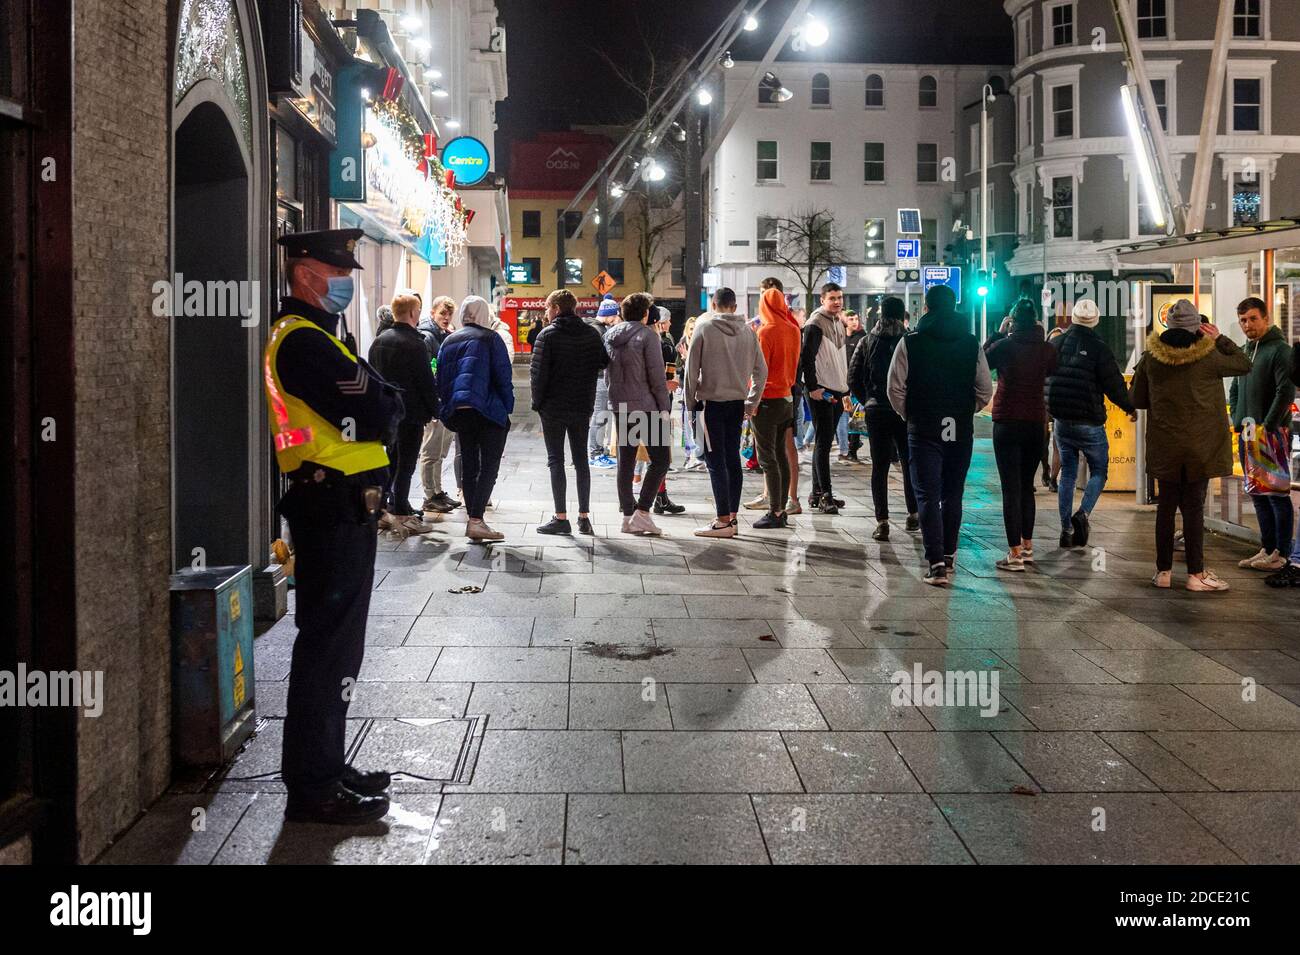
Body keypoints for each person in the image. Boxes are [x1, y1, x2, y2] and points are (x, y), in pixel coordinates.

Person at [263, 228, 400, 824]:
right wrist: (386, 405)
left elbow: (382, 399)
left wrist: (385, 401)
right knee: (327, 648)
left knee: (339, 648)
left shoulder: (320, 335)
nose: (346, 281)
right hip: (331, 506)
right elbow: (375, 407)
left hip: (340, 506)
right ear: (306, 275)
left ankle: (327, 765)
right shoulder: (302, 341)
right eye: (336, 271)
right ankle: (313, 786)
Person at [1131, 299, 1251, 591]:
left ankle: (1163, 573)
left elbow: (1137, 400)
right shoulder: (1209, 357)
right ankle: (1196, 575)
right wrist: (1219, 338)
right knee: (1193, 508)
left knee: (1166, 508)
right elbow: (1244, 364)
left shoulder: (1151, 358)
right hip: (1201, 447)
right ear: (1199, 327)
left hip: (1165, 445)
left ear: (1168, 326)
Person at [887, 284, 994, 586]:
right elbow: (985, 389)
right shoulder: (971, 342)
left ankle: (935, 563)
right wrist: (965, 408)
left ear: (927, 308)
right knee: (953, 493)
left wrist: (910, 414)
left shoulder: (911, 342)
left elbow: (894, 388)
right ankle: (949, 553)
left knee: (926, 494)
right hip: (959, 426)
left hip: (924, 428)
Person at [1045, 297, 1137, 548]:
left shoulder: (1055, 344)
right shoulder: (1099, 348)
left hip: (1062, 420)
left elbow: (1046, 380)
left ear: (1073, 318)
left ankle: (1065, 530)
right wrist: (1130, 407)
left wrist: (1049, 409)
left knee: (1068, 474)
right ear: (1095, 321)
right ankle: (1083, 513)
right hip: (1090, 422)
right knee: (1099, 469)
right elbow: (1114, 385)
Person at [683, 287, 768, 537]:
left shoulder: (704, 328)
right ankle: (732, 517)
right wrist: (751, 403)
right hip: (737, 403)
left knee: (714, 461)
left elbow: (691, 370)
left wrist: (690, 405)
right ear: (734, 306)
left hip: (710, 403)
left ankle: (722, 522)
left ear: (713, 304)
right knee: (732, 460)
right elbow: (761, 372)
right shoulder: (748, 332)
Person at [984, 299, 1058, 571]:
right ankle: (1027, 546)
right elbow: (1052, 369)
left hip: (1007, 421)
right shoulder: (1047, 349)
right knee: (1027, 486)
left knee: (1010, 488)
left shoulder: (1005, 346)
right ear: (1037, 321)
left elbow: (982, 360)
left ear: (1013, 321)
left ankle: (1013, 552)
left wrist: (998, 333)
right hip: (1034, 423)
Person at [436, 296, 515, 542]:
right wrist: (507, 406)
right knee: (489, 466)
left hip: (461, 412)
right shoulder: (491, 338)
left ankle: (474, 518)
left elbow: (442, 378)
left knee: (469, 464)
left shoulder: (448, 340)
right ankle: (476, 520)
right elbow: (503, 376)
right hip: (489, 411)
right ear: (484, 314)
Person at [531, 288, 609, 535]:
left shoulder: (547, 336)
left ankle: (560, 517)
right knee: (581, 460)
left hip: (553, 407)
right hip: (581, 405)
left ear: (556, 308)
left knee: (556, 460)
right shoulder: (591, 334)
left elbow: (538, 375)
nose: (545, 311)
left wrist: (538, 404)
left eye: (547, 307)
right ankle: (584, 518)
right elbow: (603, 363)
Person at [1230, 296, 1296, 573]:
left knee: (1277, 494)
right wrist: (1236, 418)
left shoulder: (1280, 350)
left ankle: (1281, 552)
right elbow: (1235, 387)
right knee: (1257, 492)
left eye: (1253, 319)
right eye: (1243, 320)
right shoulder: (1246, 350)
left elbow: (1286, 391)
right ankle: (1268, 547)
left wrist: (1267, 426)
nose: (1248, 325)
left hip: (1271, 434)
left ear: (1266, 318)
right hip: (1247, 432)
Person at [367, 292, 440, 533]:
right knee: (406, 463)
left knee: (390, 459)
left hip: (385, 412)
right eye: (418, 311)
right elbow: (425, 381)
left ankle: (383, 508)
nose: (419, 315)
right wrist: (435, 408)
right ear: (411, 313)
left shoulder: (380, 340)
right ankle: (401, 513)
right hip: (411, 413)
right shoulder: (414, 343)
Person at [849, 295, 917, 541]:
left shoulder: (867, 341)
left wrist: (867, 398)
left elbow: (853, 376)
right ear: (902, 316)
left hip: (876, 410)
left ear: (880, 314)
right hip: (903, 411)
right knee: (909, 463)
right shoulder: (910, 342)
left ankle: (883, 521)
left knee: (880, 466)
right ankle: (913, 514)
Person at [605, 292, 672, 535]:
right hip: (646, 407)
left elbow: (607, 375)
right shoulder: (648, 336)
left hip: (621, 406)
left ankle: (626, 517)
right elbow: (656, 378)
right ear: (645, 313)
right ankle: (643, 512)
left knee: (626, 461)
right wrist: (665, 406)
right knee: (661, 459)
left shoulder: (610, 336)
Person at [747, 286, 801, 529]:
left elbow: (760, 370)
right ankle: (782, 508)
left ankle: (775, 511)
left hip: (767, 399)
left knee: (768, 457)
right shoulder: (793, 329)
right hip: (787, 399)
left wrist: (752, 402)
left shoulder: (766, 331)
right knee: (781, 455)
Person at [801, 282, 850, 513]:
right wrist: (812, 387)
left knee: (824, 440)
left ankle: (817, 493)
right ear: (822, 300)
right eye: (832, 298)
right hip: (822, 390)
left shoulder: (839, 322)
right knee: (823, 442)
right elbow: (806, 358)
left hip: (837, 389)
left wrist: (846, 389)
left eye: (839, 297)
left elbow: (841, 359)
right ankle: (826, 494)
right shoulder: (814, 324)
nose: (837, 302)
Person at [416, 295, 460, 514]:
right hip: (436, 402)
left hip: (444, 401)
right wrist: (432, 403)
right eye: (442, 313)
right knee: (431, 450)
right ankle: (429, 494)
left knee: (441, 451)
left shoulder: (443, 336)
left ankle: (438, 491)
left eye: (449, 314)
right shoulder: (427, 337)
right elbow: (427, 373)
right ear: (432, 312)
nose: (446, 317)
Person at [587, 294, 621, 468]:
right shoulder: (600, 331)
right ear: (609, 314)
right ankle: (595, 453)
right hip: (600, 378)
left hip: (597, 377)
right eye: (615, 316)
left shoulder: (595, 328)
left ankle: (597, 451)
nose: (616, 319)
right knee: (600, 416)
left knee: (600, 415)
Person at [675, 316, 706, 470]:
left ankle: (699, 456)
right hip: (685, 389)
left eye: (696, 328)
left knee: (698, 422)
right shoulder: (681, 345)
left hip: (700, 390)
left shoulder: (702, 343)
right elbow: (677, 368)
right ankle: (691, 456)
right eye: (691, 329)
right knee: (687, 423)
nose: (694, 331)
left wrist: (689, 359)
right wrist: (686, 360)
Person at [839, 309, 866, 462]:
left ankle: (852, 449)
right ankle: (849, 445)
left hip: (857, 385)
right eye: (851, 319)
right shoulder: (841, 338)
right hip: (843, 385)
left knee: (856, 417)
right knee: (846, 417)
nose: (854, 322)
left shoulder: (862, 337)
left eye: (856, 319)